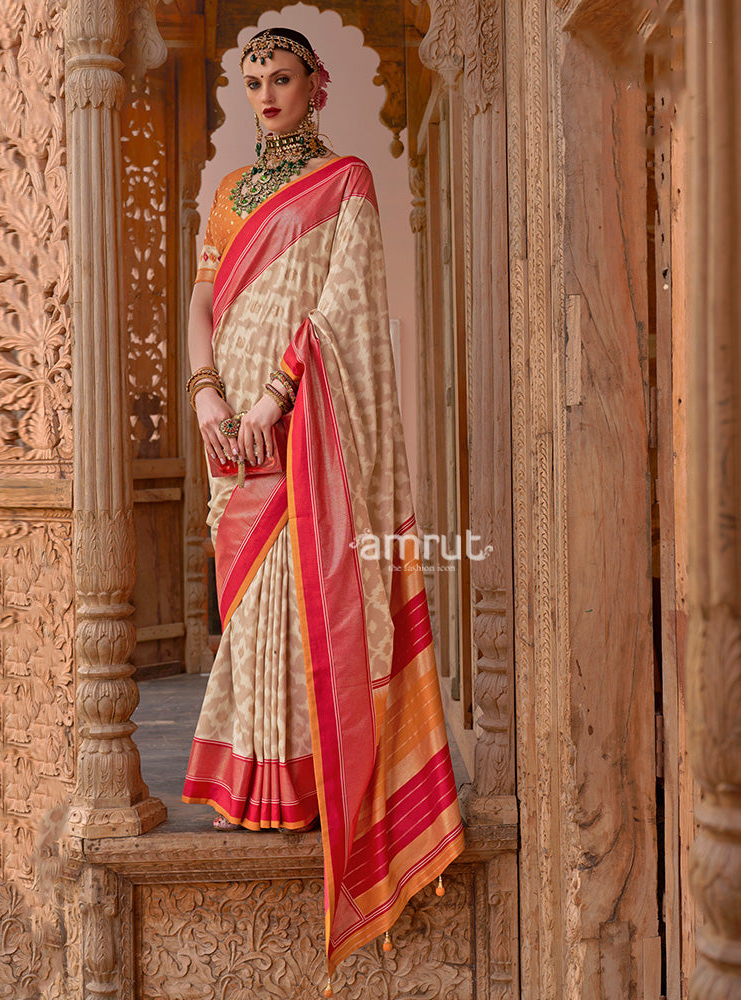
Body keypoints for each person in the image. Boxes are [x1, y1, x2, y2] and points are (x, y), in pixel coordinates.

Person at [181, 25, 464, 978]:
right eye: (253, 79)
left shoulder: (344, 182)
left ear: (318, 84)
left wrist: (276, 397)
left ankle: (310, 785)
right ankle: (254, 782)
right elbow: (202, 298)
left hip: (300, 429)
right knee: (251, 600)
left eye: (282, 77)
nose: (265, 93)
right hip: (233, 438)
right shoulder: (230, 196)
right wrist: (210, 392)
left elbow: (342, 306)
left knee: (305, 599)